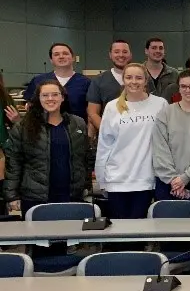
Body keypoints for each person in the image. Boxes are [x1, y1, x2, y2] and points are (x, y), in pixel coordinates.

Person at [4, 79, 91, 215]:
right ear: (38, 99)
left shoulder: (78, 124)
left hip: (72, 196)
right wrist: (12, 196)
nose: (50, 99)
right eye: (45, 95)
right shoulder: (23, 127)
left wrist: (86, 187)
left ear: (62, 98)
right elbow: (14, 162)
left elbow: (85, 158)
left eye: (55, 94)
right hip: (35, 198)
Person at [95, 63, 168, 220]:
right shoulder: (112, 107)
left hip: (146, 179)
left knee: (138, 230)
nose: (133, 82)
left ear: (146, 81)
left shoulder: (160, 104)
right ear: (123, 80)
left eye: (138, 78)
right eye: (129, 77)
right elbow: (104, 145)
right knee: (119, 233)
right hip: (117, 179)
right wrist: (101, 179)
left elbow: (167, 141)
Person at [151, 70, 190, 203]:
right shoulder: (165, 113)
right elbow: (160, 148)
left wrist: (185, 178)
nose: (188, 90)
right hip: (167, 181)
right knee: (166, 222)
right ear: (178, 88)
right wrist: (174, 179)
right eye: (183, 86)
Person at [24, 42, 91, 119]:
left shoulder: (86, 82)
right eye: (56, 54)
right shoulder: (38, 81)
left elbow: (91, 110)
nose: (61, 56)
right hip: (43, 128)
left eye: (65, 53)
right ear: (51, 60)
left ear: (73, 58)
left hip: (76, 128)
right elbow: (30, 107)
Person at [86, 39, 132, 133]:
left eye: (125, 52)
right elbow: (92, 113)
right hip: (108, 138)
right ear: (110, 55)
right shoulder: (99, 80)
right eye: (116, 52)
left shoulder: (142, 79)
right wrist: (107, 132)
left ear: (130, 55)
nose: (121, 55)